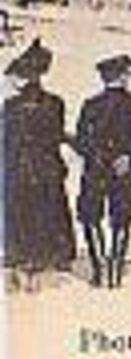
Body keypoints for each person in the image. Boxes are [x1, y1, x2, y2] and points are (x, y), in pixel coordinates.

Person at [74, 54, 131, 289]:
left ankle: (99, 268)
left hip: (96, 171)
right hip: (127, 172)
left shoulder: (91, 105)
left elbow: (80, 142)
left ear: (103, 78)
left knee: (89, 216)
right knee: (122, 220)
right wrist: (130, 158)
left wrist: (100, 158)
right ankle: (115, 271)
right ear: (125, 77)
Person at [2, 39, 76, 286]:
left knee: (20, 206)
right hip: (45, 164)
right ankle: (52, 252)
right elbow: (56, 135)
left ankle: (21, 252)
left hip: (20, 165)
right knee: (49, 205)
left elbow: (6, 140)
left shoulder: (10, 107)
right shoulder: (55, 103)